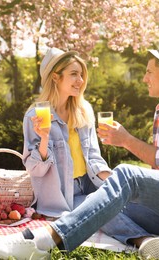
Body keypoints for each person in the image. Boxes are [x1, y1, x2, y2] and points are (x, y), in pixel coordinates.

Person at [0, 39, 159, 259]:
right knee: (108, 202)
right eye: (74, 74)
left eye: (149, 72)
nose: (145, 78)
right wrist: (117, 189)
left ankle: (42, 241)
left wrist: (125, 143)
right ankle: (149, 243)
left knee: (125, 175)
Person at [22, 47, 112, 217]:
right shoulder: (35, 116)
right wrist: (44, 138)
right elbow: (35, 170)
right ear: (55, 77)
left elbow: (93, 157)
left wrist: (115, 182)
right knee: (102, 210)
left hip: (89, 184)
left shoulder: (83, 111)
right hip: (62, 197)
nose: (81, 80)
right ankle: (142, 240)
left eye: (81, 75)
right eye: (74, 74)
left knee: (121, 205)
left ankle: (151, 238)